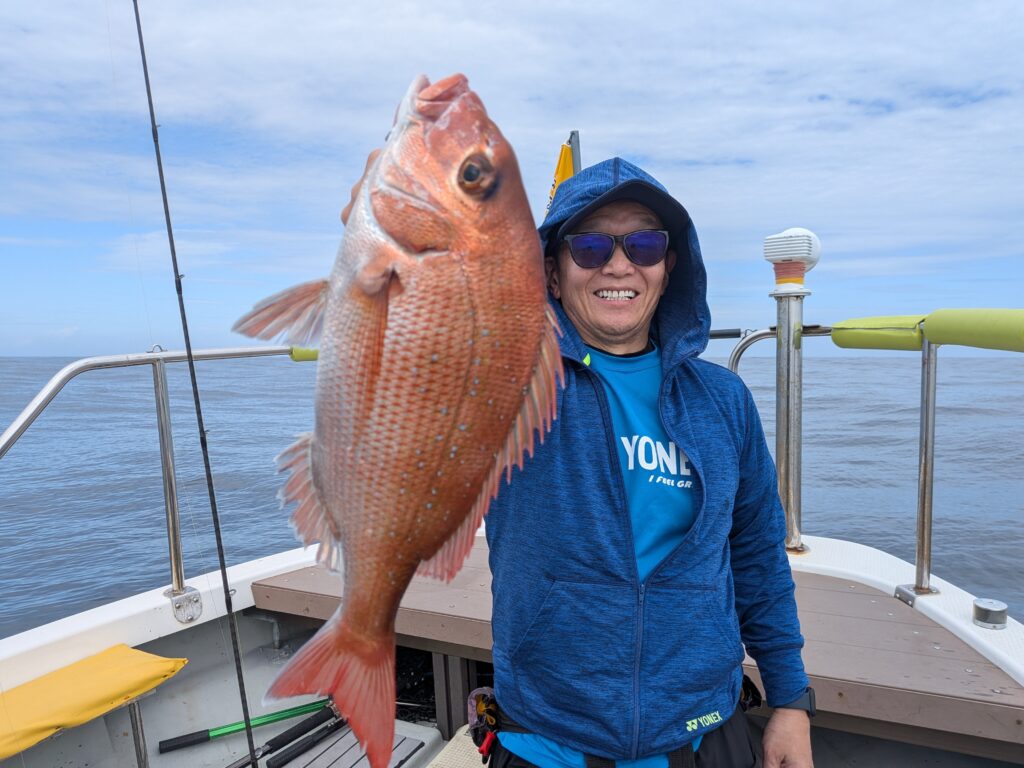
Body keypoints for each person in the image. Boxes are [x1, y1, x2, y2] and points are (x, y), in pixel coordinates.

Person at [482, 157, 815, 768]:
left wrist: (791, 700)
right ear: (551, 272)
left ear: (668, 267)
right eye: (589, 247)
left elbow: (757, 555)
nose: (619, 265)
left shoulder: (723, 399)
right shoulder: (503, 387)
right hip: (546, 737)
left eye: (644, 245)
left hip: (702, 730)